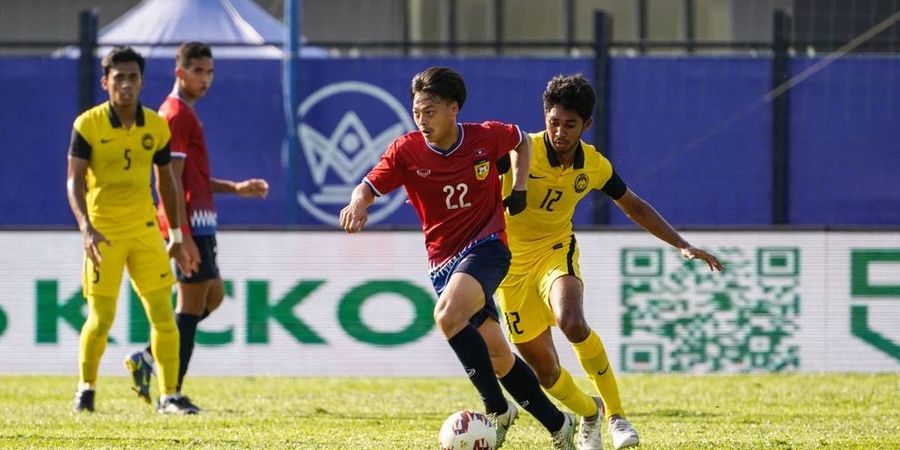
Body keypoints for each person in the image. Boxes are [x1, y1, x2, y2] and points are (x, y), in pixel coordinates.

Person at [340, 67, 576, 449]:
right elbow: (367, 185)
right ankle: (559, 425)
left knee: (447, 316)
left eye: (429, 111)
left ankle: (495, 409)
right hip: (443, 264)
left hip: (488, 247)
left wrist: (517, 187)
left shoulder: (485, 137)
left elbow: (520, 141)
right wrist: (357, 203)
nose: (421, 119)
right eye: (417, 111)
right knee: (499, 358)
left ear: (453, 109)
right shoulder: (406, 150)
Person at [495, 74, 724, 450]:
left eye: (570, 124)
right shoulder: (521, 152)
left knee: (572, 321)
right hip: (509, 269)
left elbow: (633, 204)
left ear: (586, 124)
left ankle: (617, 416)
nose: (559, 132)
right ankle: (589, 414)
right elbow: (474, 178)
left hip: (555, 252)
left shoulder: (594, 164)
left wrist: (681, 244)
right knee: (546, 371)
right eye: (553, 122)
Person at [123, 42, 269, 413]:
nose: (205, 79)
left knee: (212, 297)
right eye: (198, 71)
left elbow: (192, 176)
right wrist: (179, 234)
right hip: (189, 225)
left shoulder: (185, 113)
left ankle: (149, 356)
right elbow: (167, 177)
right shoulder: (175, 115)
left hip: (201, 222)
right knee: (189, 308)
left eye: (210, 72)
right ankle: (170, 396)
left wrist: (234, 188)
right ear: (180, 72)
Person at [66, 46, 199, 415]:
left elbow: (167, 183)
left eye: (133, 77)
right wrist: (86, 228)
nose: (126, 85)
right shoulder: (88, 124)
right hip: (103, 233)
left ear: (142, 82)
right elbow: (74, 182)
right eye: (118, 78)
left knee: (162, 311)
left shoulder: (156, 126)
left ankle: (169, 396)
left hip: (143, 230)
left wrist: (175, 234)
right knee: (100, 319)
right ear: (105, 82)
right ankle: (86, 390)